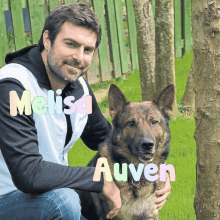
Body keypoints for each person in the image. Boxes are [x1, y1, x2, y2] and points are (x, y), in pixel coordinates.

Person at [0, 2, 171, 220]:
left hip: (47, 198)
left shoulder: (77, 87)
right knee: (66, 200)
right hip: (9, 198)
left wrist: (155, 174)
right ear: (47, 39)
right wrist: (98, 179)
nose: (79, 57)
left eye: (87, 49)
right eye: (70, 44)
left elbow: (111, 139)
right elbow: (29, 174)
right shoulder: (13, 87)